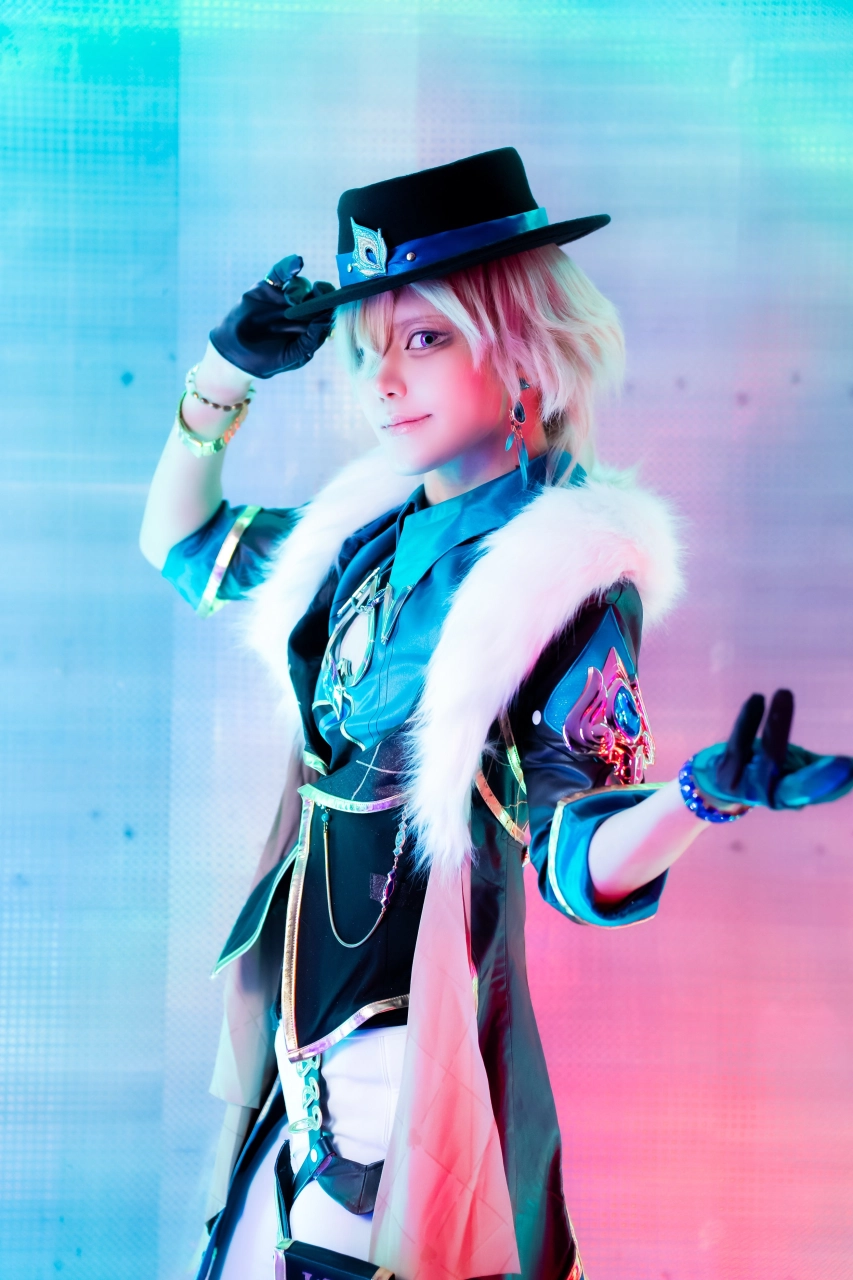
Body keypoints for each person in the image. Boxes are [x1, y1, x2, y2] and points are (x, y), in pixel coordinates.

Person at [139, 148, 853, 1280]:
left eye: (423, 339)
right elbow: (182, 544)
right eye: (367, 348)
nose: (382, 381)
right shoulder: (358, 536)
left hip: (408, 1074)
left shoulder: (558, 570)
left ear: (523, 345)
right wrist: (223, 374)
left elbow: (573, 848)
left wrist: (693, 798)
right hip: (288, 1067)